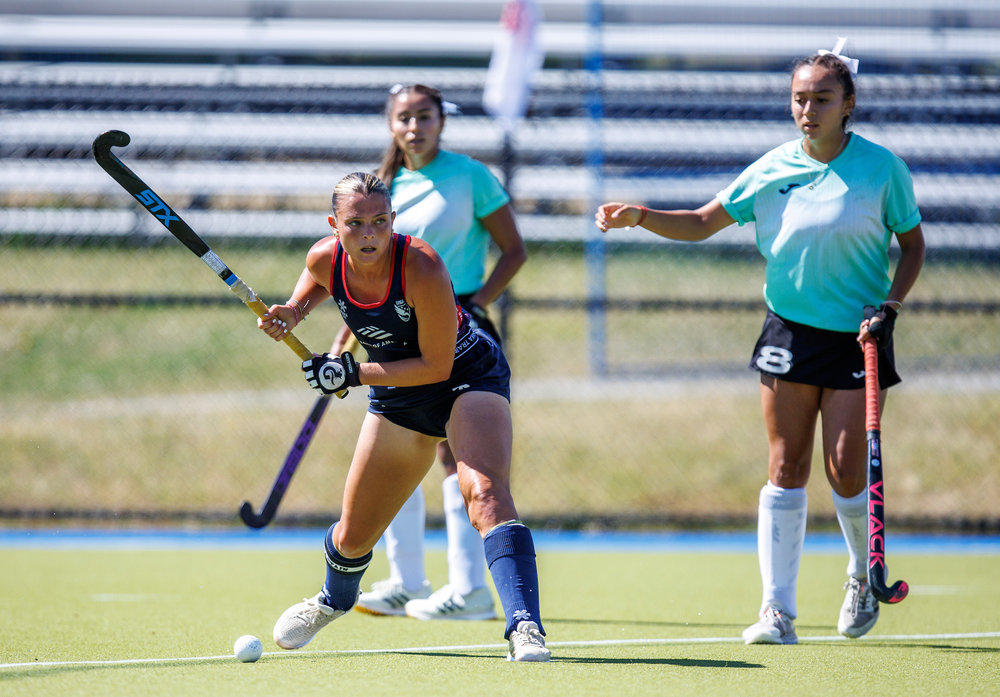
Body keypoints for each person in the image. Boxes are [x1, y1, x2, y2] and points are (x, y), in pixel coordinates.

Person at [595, 45, 925, 645]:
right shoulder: (771, 168)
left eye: (822, 98)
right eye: (800, 99)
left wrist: (891, 307)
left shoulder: (883, 170)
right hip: (788, 331)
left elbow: (914, 246)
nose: (808, 110)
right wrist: (641, 215)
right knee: (785, 466)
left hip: (859, 335)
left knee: (845, 469)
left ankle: (861, 574)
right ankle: (777, 611)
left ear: (848, 104)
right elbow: (702, 222)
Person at [258, 172, 548, 661]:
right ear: (334, 226)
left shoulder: (421, 266)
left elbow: (436, 366)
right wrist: (291, 313)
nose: (369, 233)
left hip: (465, 376)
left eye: (380, 221)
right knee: (352, 538)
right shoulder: (323, 258)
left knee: (484, 492)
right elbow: (311, 288)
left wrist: (350, 372)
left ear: (394, 220)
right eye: (355, 223)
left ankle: (525, 626)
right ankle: (333, 600)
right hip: (398, 396)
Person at [328, 83, 527, 621]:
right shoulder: (382, 185)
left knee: (455, 456)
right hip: (393, 332)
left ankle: (469, 588)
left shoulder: (471, 176)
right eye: (404, 117)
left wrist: (477, 302)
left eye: (425, 116)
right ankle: (406, 581)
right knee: (397, 449)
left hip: (458, 324)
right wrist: (347, 336)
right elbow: (367, 274)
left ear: (442, 121)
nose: (414, 127)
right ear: (390, 123)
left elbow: (514, 250)